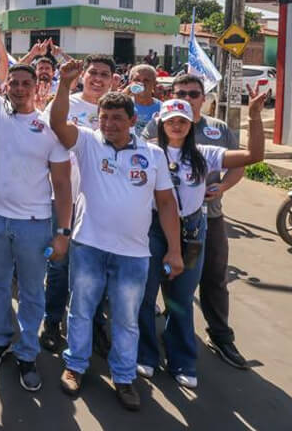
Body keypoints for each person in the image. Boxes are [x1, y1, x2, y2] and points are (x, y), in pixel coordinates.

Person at [48, 60, 183, 412]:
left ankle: (123, 377)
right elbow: (58, 124)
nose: (108, 124)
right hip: (89, 245)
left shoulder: (152, 154)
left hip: (133, 255)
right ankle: (74, 366)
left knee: (126, 318)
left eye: (116, 119)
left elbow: (167, 205)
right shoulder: (90, 143)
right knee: (80, 310)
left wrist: (174, 250)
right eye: (104, 118)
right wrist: (64, 84)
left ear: (133, 121)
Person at [0, 0, 72, 392]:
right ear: (6, 86)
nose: (21, 87)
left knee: (30, 292)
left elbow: (61, 186)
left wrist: (63, 232)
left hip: (34, 226)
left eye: (28, 82)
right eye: (15, 82)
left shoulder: (49, 130)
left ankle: (27, 355)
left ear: (37, 87)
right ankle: (0, 341)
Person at [136, 94, 265, 388]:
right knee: (145, 294)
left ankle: (182, 359)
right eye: (171, 121)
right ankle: (145, 354)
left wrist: (255, 116)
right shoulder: (148, 150)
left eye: (182, 120)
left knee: (180, 297)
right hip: (152, 228)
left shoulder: (205, 153)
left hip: (192, 230)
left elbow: (253, 157)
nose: (176, 126)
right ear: (161, 123)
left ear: (191, 123)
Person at [40, 54, 115, 356]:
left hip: (102, 206)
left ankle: (94, 325)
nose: (98, 79)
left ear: (113, 79)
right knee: (59, 266)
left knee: (96, 273)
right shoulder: (63, 104)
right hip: (64, 202)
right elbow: (44, 142)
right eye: (93, 72)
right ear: (83, 74)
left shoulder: (115, 110)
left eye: (104, 74)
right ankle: (52, 323)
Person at [128, 65, 161, 134]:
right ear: (130, 83)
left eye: (146, 80)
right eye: (137, 80)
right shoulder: (123, 105)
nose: (141, 83)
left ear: (154, 83)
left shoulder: (163, 108)